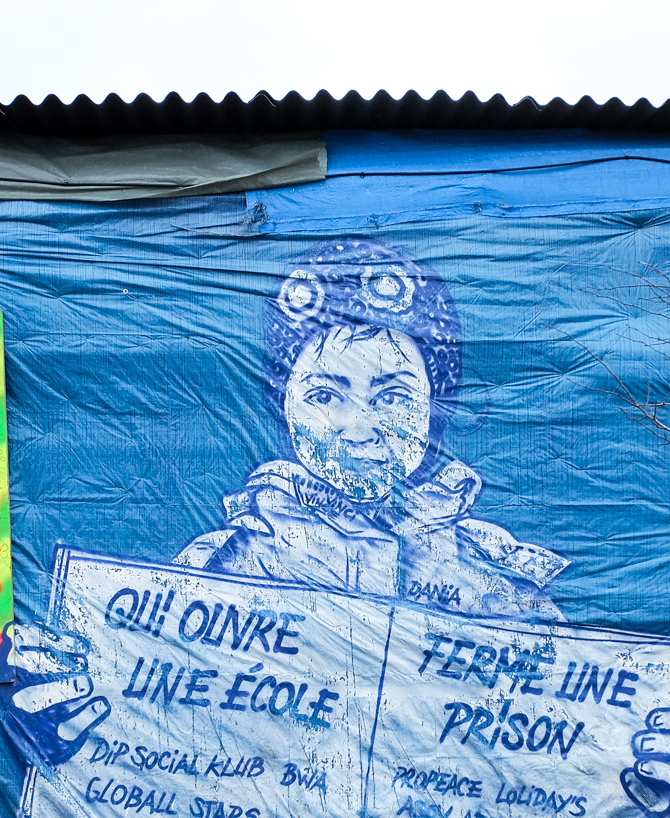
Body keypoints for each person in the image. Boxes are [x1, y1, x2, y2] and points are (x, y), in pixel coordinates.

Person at [174, 237, 568, 621]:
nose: (360, 430)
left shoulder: (498, 584)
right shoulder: (220, 569)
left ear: (435, 408)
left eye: (392, 398)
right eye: (325, 396)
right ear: (284, 406)